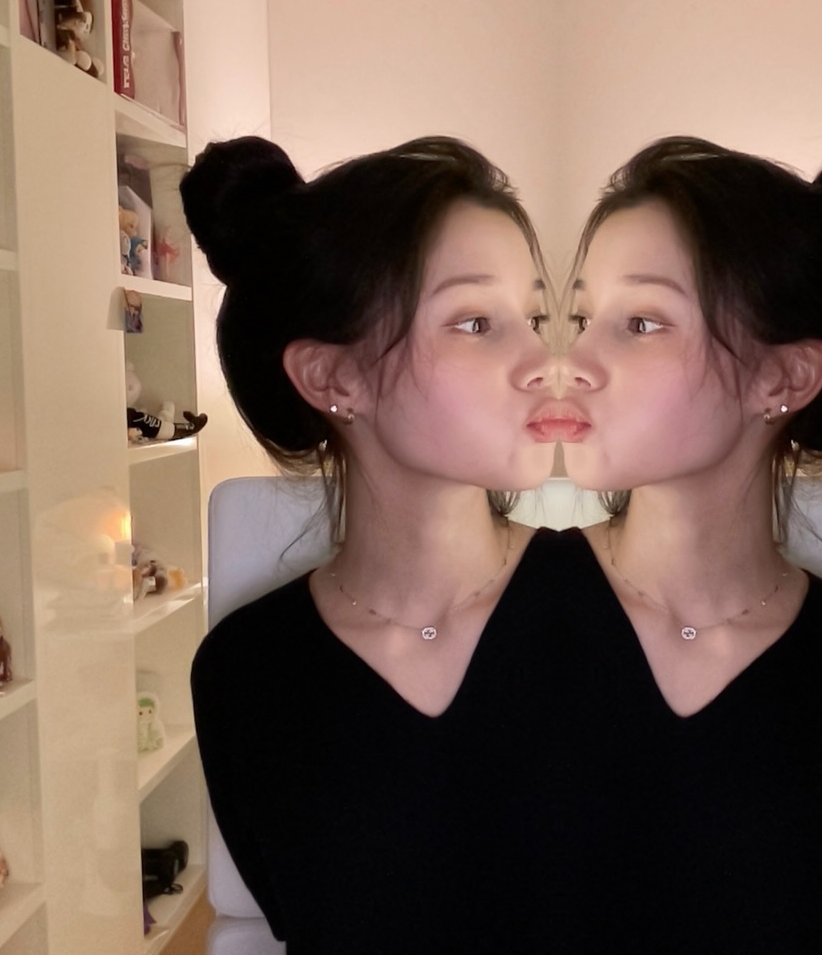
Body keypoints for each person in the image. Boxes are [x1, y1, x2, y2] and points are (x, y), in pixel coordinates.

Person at [183, 135, 574, 953]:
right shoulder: (245, 676)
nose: (545, 362)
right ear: (335, 379)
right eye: (477, 322)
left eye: (536, 319)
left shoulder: (625, 617)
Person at [554, 135, 822, 950]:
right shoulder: (496, 616)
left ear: (783, 379)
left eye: (641, 322)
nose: (574, 361)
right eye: (583, 319)